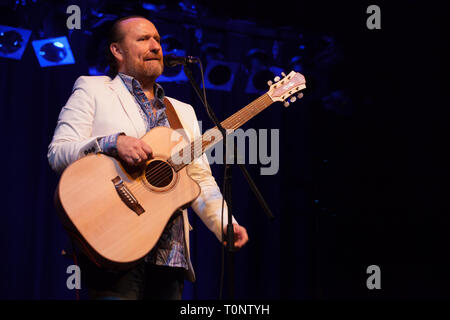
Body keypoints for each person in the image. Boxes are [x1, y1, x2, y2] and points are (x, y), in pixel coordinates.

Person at [47, 15, 248, 300]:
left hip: (171, 258)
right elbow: (58, 152)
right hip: (115, 246)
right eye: (143, 39)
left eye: (158, 40)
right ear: (117, 51)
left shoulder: (183, 112)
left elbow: (200, 179)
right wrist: (112, 142)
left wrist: (225, 224)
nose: (155, 46)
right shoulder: (93, 90)